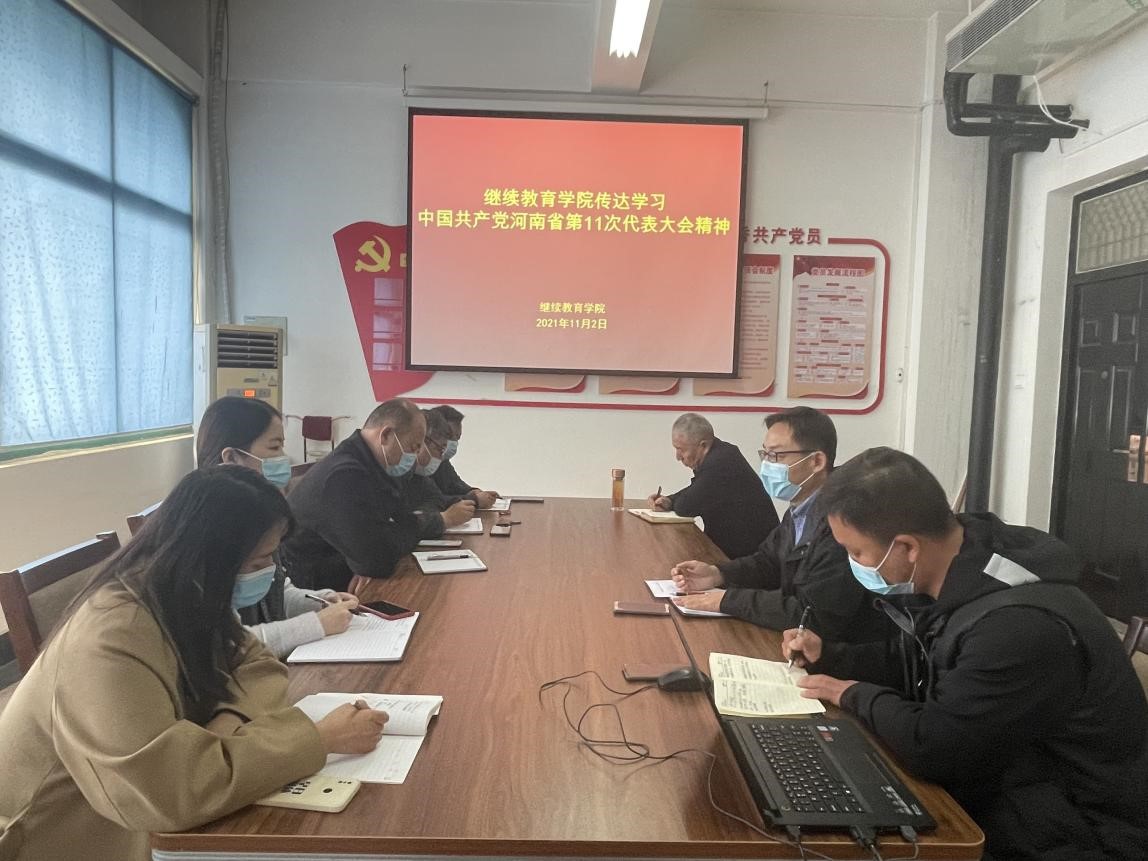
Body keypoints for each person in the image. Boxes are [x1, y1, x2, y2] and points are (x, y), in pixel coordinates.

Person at [0, 466, 390, 861]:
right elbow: (169, 793)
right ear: (212, 555)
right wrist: (318, 740)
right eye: (259, 561)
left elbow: (260, 665)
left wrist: (223, 727)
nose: (268, 573)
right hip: (58, 839)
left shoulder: (184, 592)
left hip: (133, 815)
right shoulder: (108, 638)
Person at [784, 447, 1148, 861]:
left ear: (907, 547)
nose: (855, 565)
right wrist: (829, 655)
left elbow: (934, 749)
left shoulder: (1016, 627)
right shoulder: (966, 568)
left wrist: (851, 693)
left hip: (1075, 837)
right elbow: (919, 664)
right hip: (1014, 799)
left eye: (857, 553)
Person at [671, 407, 888, 643]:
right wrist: (718, 574)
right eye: (765, 454)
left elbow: (811, 613)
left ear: (816, 461)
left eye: (776, 456)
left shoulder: (843, 522)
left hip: (832, 649)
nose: (767, 465)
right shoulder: (800, 507)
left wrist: (726, 600)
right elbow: (768, 562)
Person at [195, 395, 360, 658]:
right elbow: (227, 645)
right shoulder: (206, 529)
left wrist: (320, 602)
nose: (284, 458)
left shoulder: (258, 511)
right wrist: (316, 625)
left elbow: (276, 590)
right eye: (274, 447)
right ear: (232, 457)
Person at [284, 398, 473, 591]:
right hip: (314, 586)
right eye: (413, 447)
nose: (415, 456)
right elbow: (378, 559)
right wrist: (371, 557)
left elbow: (401, 519)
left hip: (348, 567)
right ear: (386, 435)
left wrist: (376, 551)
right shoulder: (344, 474)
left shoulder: (377, 464)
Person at [646, 412, 779, 558]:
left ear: (703, 446)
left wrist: (673, 502)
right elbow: (697, 489)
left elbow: (686, 507)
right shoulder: (721, 453)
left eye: (681, 450)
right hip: (736, 550)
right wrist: (669, 500)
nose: (678, 457)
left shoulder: (721, 463)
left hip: (753, 558)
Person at [428, 405, 499, 509]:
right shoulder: (421, 467)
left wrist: (474, 492)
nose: (452, 443)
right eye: (449, 437)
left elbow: (455, 484)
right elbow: (433, 500)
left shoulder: (442, 461)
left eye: (457, 438)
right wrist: (474, 499)